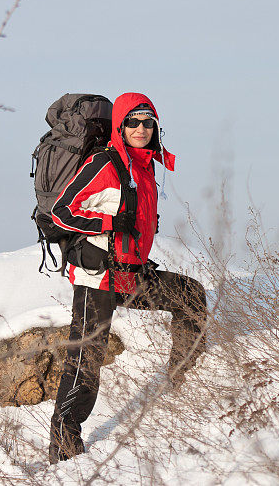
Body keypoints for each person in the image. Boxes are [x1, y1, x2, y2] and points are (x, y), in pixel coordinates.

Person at [47, 92, 208, 464]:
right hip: (97, 277)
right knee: (87, 358)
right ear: (120, 126)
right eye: (133, 122)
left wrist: (138, 257)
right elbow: (61, 212)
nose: (140, 128)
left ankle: (183, 382)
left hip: (130, 273)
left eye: (147, 122)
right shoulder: (105, 163)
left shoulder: (146, 165)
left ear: (156, 127)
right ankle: (64, 447)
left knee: (189, 295)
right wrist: (107, 223)